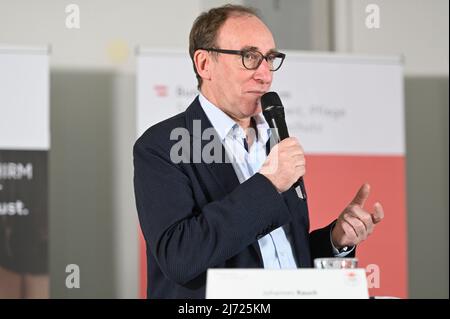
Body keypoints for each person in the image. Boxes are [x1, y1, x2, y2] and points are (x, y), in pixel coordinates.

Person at [133, 4, 384, 299]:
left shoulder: (274, 139)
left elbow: (284, 256)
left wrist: (335, 239)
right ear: (204, 64)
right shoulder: (162, 146)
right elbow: (180, 257)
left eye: (270, 59)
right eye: (249, 57)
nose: (265, 75)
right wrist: (268, 184)